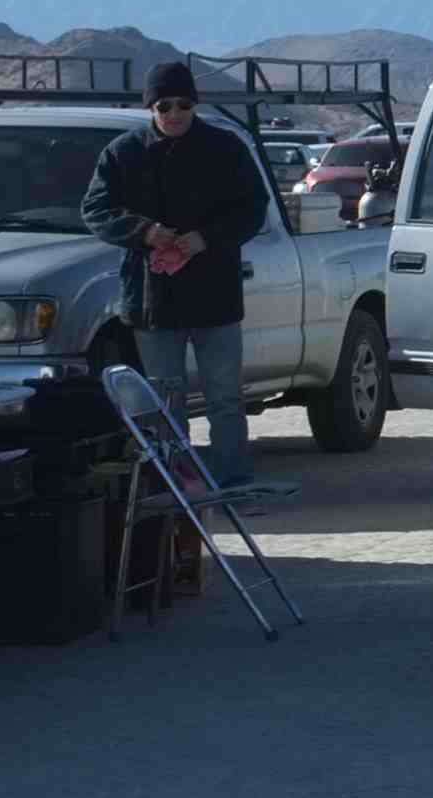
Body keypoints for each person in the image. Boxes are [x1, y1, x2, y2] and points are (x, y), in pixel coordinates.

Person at [82, 61, 284, 501]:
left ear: (195, 105)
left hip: (215, 295)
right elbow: (96, 211)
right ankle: (173, 483)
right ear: (151, 106)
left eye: (185, 104)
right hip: (154, 301)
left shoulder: (225, 148)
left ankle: (233, 483)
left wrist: (205, 237)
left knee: (225, 397)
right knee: (163, 401)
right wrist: (144, 232)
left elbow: (252, 208)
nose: (175, 113)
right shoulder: (123, 153)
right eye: (165, 104)